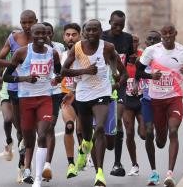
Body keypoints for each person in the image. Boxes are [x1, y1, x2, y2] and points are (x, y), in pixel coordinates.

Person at [61, 19, 126, 187]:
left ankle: (99, 173)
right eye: (88, 30)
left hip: (102, 93)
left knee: (100, 128)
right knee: (87, 135)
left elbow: (122, 71)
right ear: (84, 32)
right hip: (83, 95)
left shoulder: (108, 47)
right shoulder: (77, 48)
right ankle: (84, 148)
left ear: (100, 31)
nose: (91, 33)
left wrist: (117, 82)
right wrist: (85, 71)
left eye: (95, 30)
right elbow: (64, 71)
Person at [1, 23, 62, 187]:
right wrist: (25, 78)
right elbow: (6, 77)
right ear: (31, 35)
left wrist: (57, 78)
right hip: (26, 100)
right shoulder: (22, 52)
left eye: (44, 34)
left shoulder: (53, 53)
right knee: (29, 139)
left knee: (42, 135)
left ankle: (37, 178)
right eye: (37, 34)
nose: (41, 37)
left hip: (45, 98)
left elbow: (59, 72)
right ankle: (27, 167)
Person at [136, 24, 183, 187]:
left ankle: (169, 174)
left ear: (176, 34)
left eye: (170, 33)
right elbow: (139, 72)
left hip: (174, 97)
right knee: (158, 140)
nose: (167, 36)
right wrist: (150, 75)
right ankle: (154, 171)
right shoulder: (152, 51)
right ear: (162, 35)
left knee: (173, 130)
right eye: (164, 34)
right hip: (155, 99)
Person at [0, 10, 35, 177]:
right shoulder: (14, 38)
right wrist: (16, 63)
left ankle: (24, 164)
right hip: (13, 86)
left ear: (36, 21)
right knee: (14, 124)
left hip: (33, 89)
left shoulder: (40, 37)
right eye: (24, 22)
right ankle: (10, 144)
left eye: (30, 22)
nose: (27, 26)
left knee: (28, 130)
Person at [100, 10, 135, 178]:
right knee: (103, 127)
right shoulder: (101, 37)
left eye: (121, 25)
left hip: (119, 84)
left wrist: (120, 82)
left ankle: (117, 163)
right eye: (115, 25)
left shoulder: (128, 39)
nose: (118, 28)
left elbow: (126, 63)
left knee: (117, 118)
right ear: (109, 22)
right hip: (101, 84)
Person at [58, 23, 83, 178]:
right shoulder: (60, 56)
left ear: (79, 36)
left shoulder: (84, 54)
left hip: (83, 96)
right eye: (67, 35)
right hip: (66, 97)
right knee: (69, 127)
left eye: (74, 34)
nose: (70, 37)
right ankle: (71, 163)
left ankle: (83, 153)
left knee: (82, 132)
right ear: (63, 37)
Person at [41, 22, 65, 181]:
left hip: (55, 93)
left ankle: (47, 165)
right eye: (42, 33)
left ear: (52, 34)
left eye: (48, 33)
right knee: (40, 131)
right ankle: (39, 162)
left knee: (49, 128)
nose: (45, 36)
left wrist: (59, 79)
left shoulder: (59, 49)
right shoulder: (31, 49)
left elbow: (62, 69)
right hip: (37, 94)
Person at [138, 31, 162, 186]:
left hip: (163, 102)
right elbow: (136, 74)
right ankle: (153, 172)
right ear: (145, 42)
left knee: (161, 142)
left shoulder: (164, 58)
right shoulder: (142, 60)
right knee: (148, 133)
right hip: (147, 101)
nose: (152, 41)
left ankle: (162, 134)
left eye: (155, 39)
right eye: (149, 39)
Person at [120, 33, 144, 178]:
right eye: (130, 42)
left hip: (141, 100)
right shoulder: (121, 58)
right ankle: (134, 164)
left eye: (135, 42)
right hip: (127, 101)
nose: (133, 44)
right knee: (129, 133)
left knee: (143, 134)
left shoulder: (144, 56)